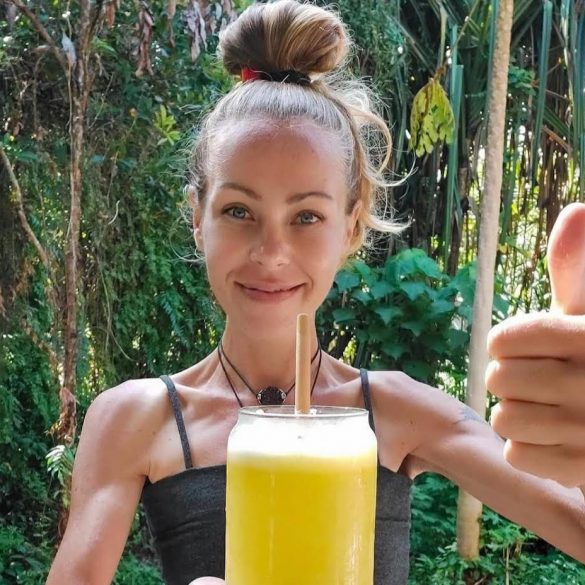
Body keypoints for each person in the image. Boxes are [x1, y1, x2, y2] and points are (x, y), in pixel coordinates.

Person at [46, 1, 585, 584]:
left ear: (350, 227)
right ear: (198, 218)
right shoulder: (136, 419)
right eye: (238, 211)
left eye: (306, 216)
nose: (271, 252)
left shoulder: (395, 411)